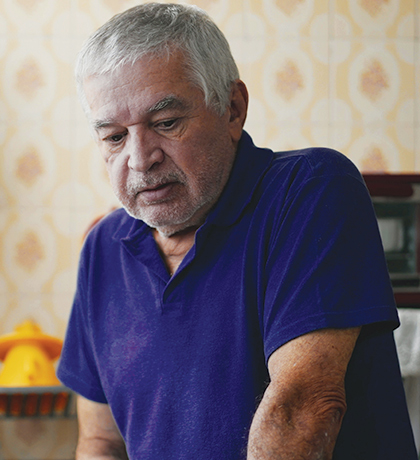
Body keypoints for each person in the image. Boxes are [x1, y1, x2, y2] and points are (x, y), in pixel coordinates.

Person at [57, 3, 417, 459]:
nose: (139, 158)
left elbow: (302, 411)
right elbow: (101, 441)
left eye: (166, 123)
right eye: (113, 137)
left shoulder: (310, 189)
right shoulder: (103, 248)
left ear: (232, 108)